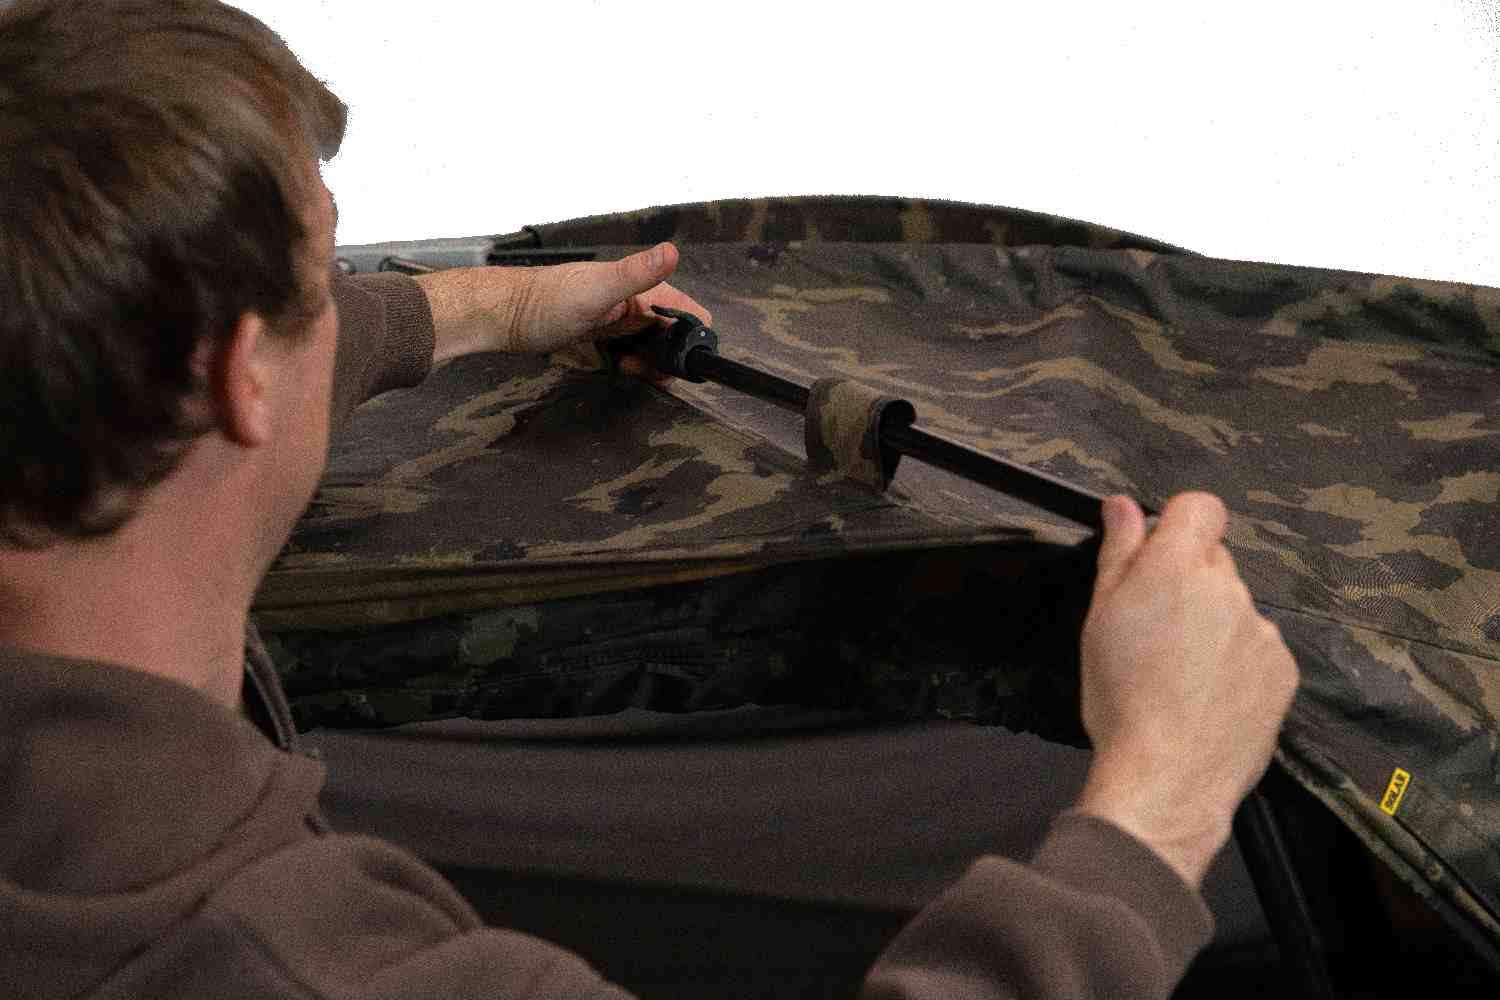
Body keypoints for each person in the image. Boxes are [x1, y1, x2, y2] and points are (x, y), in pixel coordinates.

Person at [0, 1, 1299, 997]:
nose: (345, 305)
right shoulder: (279, 960)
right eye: (325, 273)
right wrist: (1158, 802)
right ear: (235, 375)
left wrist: (487, 311)